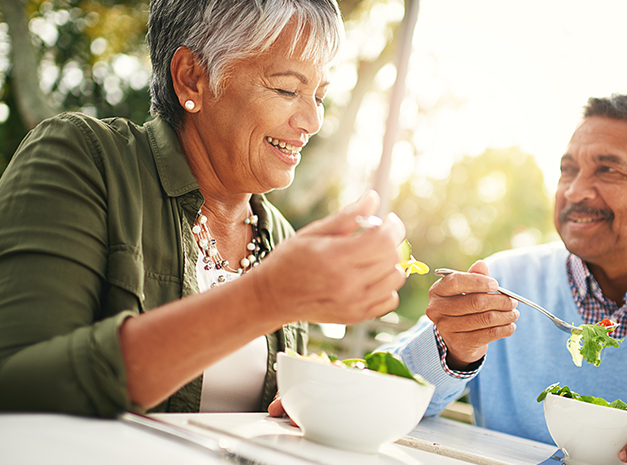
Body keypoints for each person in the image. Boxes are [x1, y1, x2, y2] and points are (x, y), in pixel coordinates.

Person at [0, 0, 407, 418]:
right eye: (287, 89)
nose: (313, 120)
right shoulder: (85, 159)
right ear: (191, 79)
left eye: (319, 95)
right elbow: (18, 382)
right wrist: (264, 298)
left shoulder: (281, 237)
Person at [382, 93, 627, 464]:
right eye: (568, 170)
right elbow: (380, 386)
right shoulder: (502, 282)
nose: (574, 191)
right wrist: (453, 352)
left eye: (608, 170)